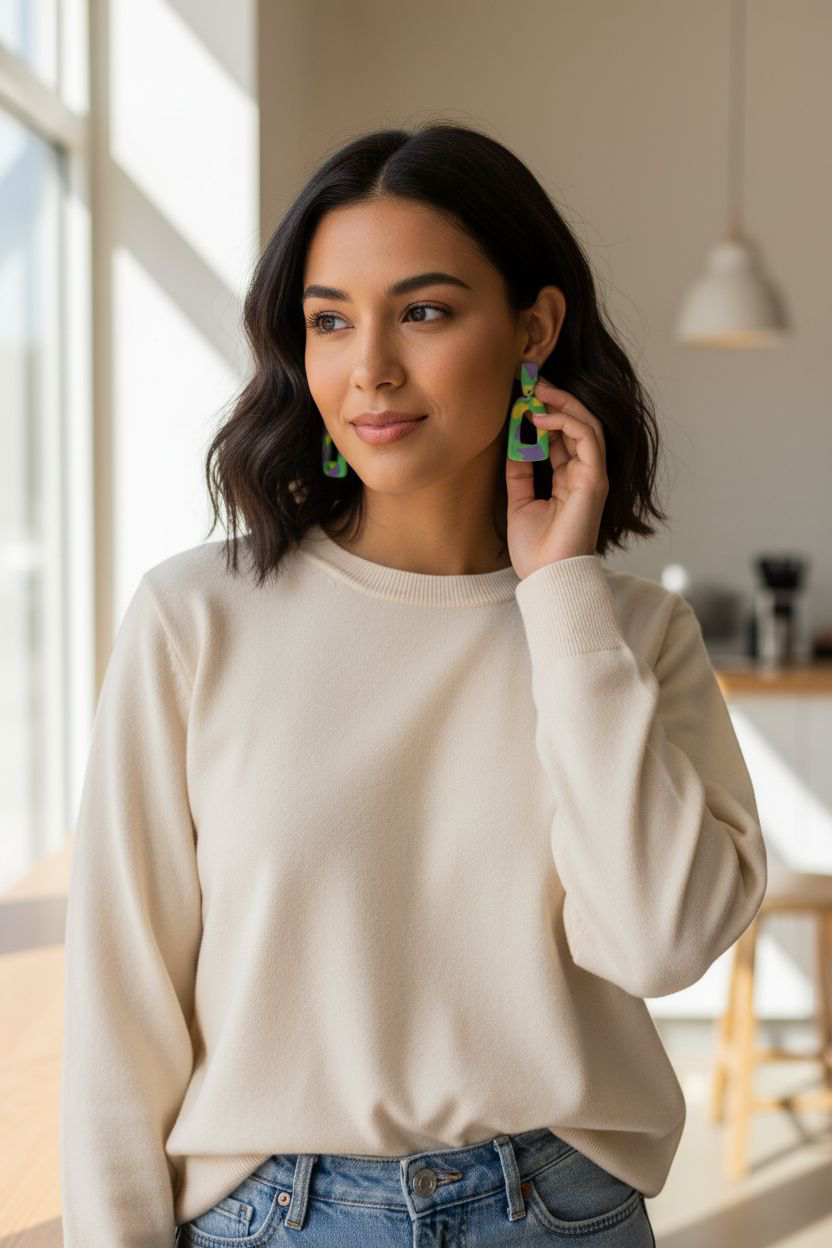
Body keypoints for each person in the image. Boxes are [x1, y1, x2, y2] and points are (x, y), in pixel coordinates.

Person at [60, 121, 767, 1247]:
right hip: (275, 1220)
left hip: (561, 1215)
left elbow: (658, 945)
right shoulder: (197, 619)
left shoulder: (632, 636)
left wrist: (562, 594)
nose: (369, 367)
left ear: (533, 328)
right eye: (329, 319)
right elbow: (119, 1010)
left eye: (424, 312)